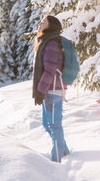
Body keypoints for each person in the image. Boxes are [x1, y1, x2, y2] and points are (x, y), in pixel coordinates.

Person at [32, 14, 70, 163]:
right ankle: (64, 151)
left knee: (54, 126)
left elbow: (50, 70)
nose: (40, 23)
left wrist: (41, 90)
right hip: (49, 90)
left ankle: (57, 161)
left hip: (53, 91)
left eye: (44, 21)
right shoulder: (46, 41)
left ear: (51, 26)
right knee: (47, 124)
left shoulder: (52, 43)